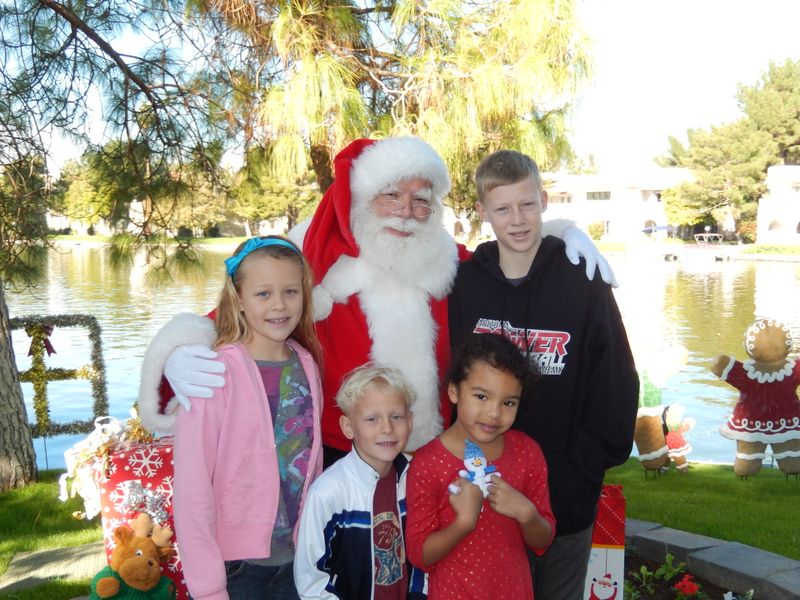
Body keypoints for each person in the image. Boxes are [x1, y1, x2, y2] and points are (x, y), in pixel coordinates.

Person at [138, 137, 614, 466]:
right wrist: (180, 350)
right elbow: (248, 306)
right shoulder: (320, 267)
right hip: (337, 454)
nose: (408, 213)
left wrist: (562, 233)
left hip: (431, 455)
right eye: (392, 196)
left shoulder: (447, 264)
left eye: (421, 200)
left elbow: (508, 248)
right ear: (363, 200)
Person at [447, 150, 639, 600]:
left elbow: (615, 381)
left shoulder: (582, 279)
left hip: (564, 493)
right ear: (482, 212)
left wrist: (583, 469)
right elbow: (450, 380)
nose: (517, 220)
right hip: (483, 491)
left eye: (527, 205)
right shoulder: (466, 284)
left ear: (544, 201)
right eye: (503, 208)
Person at [170, 235, 324, 600]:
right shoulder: (213, 372)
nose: (279, 305)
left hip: (297, 561)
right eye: (263, 294)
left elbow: (309, 462)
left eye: (290, 291)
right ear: (238, 299)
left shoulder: (306, 364)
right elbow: (191, 487)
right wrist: (208, 588)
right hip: (235, 569)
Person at [405, 333, 555, 600]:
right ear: (454, 391)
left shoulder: (527, 453)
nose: (494, 413)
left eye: (508, 402)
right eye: (481, 396)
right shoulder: (427, 464)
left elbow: (543, 540)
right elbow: (418, 554)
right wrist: (463, 522)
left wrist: (527, 513)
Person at [294, 364, 426, 599]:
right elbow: (311, 581)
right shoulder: (328, 492)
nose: (387, 428)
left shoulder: (418, 477)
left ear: (410, 420)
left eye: (396, 416)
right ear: (348, 427)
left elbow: (426, 550)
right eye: (372, 419)